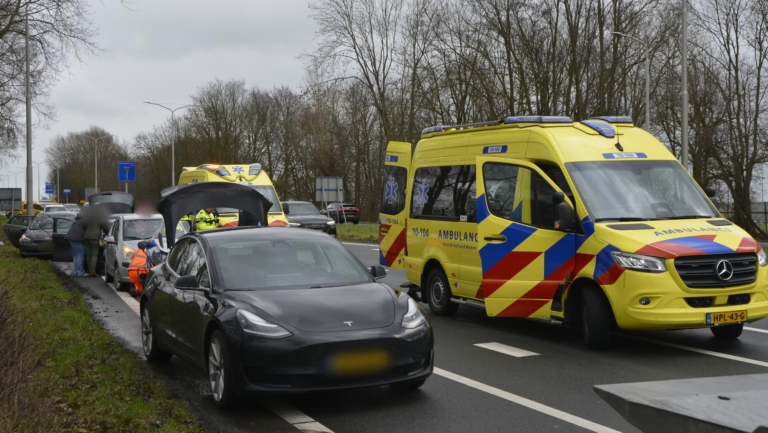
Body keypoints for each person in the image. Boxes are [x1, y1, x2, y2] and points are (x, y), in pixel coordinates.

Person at [83, 207, 110, 277]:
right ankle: (92, 271)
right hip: (94, 237)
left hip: (86, 236)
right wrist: (109, 234)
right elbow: (107, 228)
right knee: (94, 254)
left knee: (89, 254)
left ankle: (89, 270)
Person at [64, 211, 88, 277]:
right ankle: (80, 271)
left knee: (76, 254)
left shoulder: (77, 221)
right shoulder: (84, 221)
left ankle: (76, 271)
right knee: (80, 254)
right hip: (77, 239)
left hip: (70, 238)